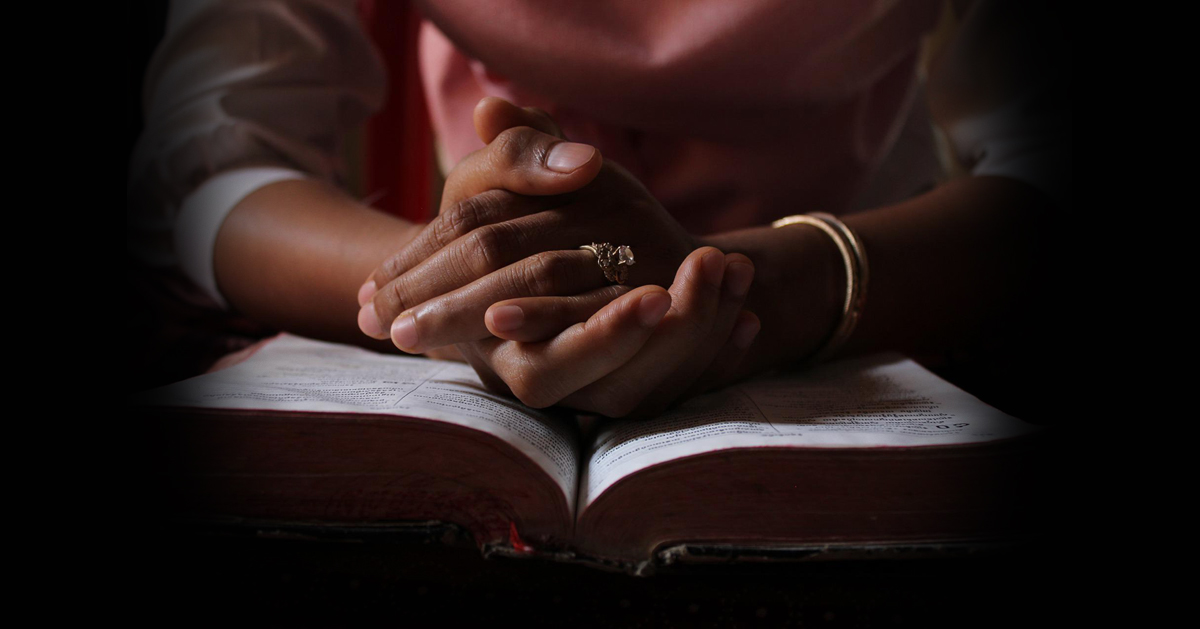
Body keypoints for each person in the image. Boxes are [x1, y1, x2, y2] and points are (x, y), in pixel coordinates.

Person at [129, 0, 1070, 417]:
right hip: (472, 310)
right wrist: (455, 286)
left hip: (878, 306)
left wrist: (757, 293)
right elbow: (215, 162)